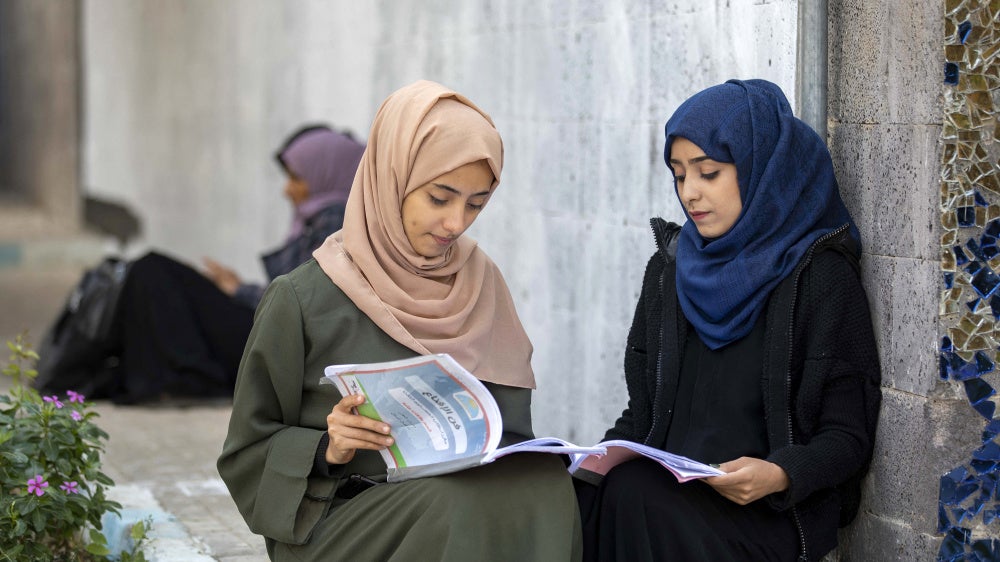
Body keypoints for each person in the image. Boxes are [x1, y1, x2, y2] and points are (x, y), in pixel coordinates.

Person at [217, 80, 581, 561]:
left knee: (549, 485)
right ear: (393, 178)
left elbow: (510, 430)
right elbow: (247, 450)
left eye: (475, 204)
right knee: (451, 504)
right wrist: (328, 447)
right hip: (339, 517)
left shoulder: (481, 283)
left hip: (456, 495)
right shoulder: (302, 297)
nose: (457, 223)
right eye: (439, 198)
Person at [574, 79, 882, 562]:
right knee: (594, 497)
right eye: (679, 176)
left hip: (769, 512)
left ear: (762, 169)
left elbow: (847, 436)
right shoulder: (670, 272)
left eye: (709, 172)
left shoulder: (820, 277)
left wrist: (781, 474)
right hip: (665, 495)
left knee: (638, 500)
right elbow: (643, 415)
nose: (690, 193)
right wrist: (583, 466)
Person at [106, 125, 365, 403]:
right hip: (276, 335)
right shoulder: (321, 218)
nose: (287, 190)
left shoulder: (334, 220)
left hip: (281, 346)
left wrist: (238, 290)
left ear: (326, 173)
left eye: (296, 178)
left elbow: (307, 304)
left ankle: (189, 379)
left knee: (153, 270)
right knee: (156, 276)